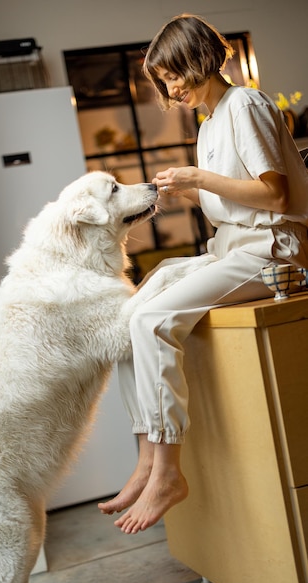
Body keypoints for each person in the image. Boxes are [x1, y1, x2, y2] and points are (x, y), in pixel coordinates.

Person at [98, 13, 308, 534]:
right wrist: (188, 191)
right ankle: (147, 456)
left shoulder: (246, 105)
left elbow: (276, 196)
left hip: (273, 252)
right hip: (234, 246)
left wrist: (199, 176)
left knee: (154, 322)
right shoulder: (211, 121)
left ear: (199, 60)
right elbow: (230, 202)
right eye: (162, 80)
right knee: (131, 317)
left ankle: (167, 470)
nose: (170, 88)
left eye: (174, 75)